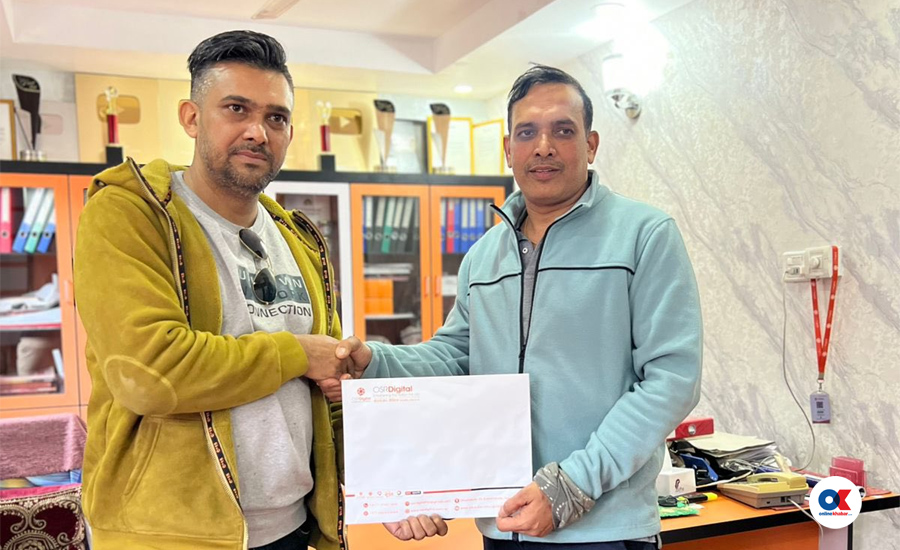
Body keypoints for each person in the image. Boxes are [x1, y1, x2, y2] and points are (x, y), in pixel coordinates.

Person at [328, 65, 703, 549]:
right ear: (508, 149)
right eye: (527, 132)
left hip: (603, 530)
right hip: (503, 525)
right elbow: (456, 356)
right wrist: (375, 362)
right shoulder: (484, 255)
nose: (543, 146)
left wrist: (572, 486)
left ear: (590, 145)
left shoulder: (644, 236)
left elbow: (671, 380)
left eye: (562, 130)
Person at [74, 30, 355, 550]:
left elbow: (330, 384)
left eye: (276, 118)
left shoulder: (299, 239)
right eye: (236, 109)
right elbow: (149, 373)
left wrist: (390, 478)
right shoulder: (129, 214)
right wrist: (298, 353)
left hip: (291, 526)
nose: (258, 132)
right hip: (166, 534)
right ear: (192, 117)